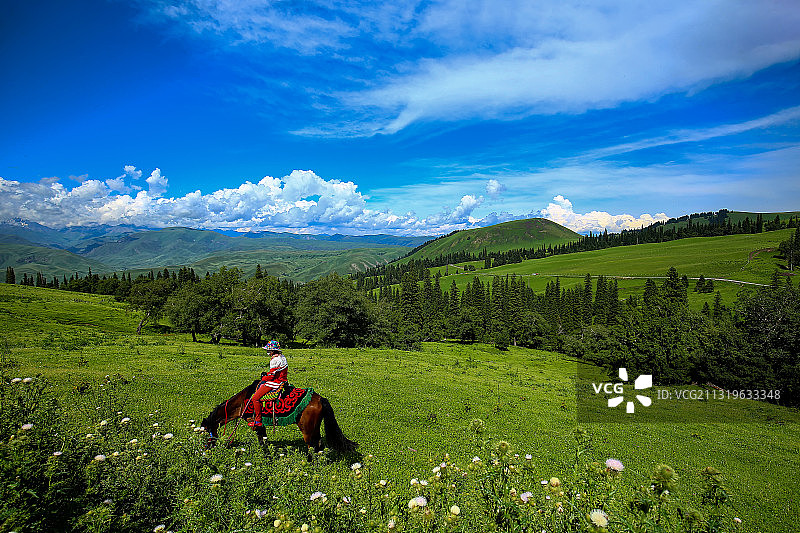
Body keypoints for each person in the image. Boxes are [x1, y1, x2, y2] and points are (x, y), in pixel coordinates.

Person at [249, 340, 288, 427]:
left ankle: (258, 420)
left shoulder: (274, 360)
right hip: (283, 380)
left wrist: (263, 378)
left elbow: (271, 377)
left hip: (275, 383)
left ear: (273, 351)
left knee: (255, 398)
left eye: (269, 350)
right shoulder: (282, 357)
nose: (268, 352)